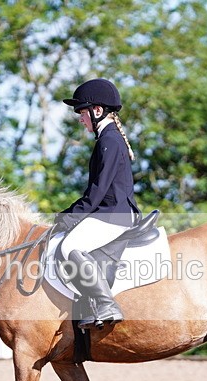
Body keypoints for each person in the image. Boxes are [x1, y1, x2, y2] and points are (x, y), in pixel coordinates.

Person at [55, 78, 140, 329]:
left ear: (97, 111)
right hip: (111, 212)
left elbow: (97, 191)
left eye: (82, 112)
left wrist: (70, 216)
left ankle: (105, 304)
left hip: (115, 214)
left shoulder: (109, 141)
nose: (80, 118)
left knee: (69, 246)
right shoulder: (108, 138)